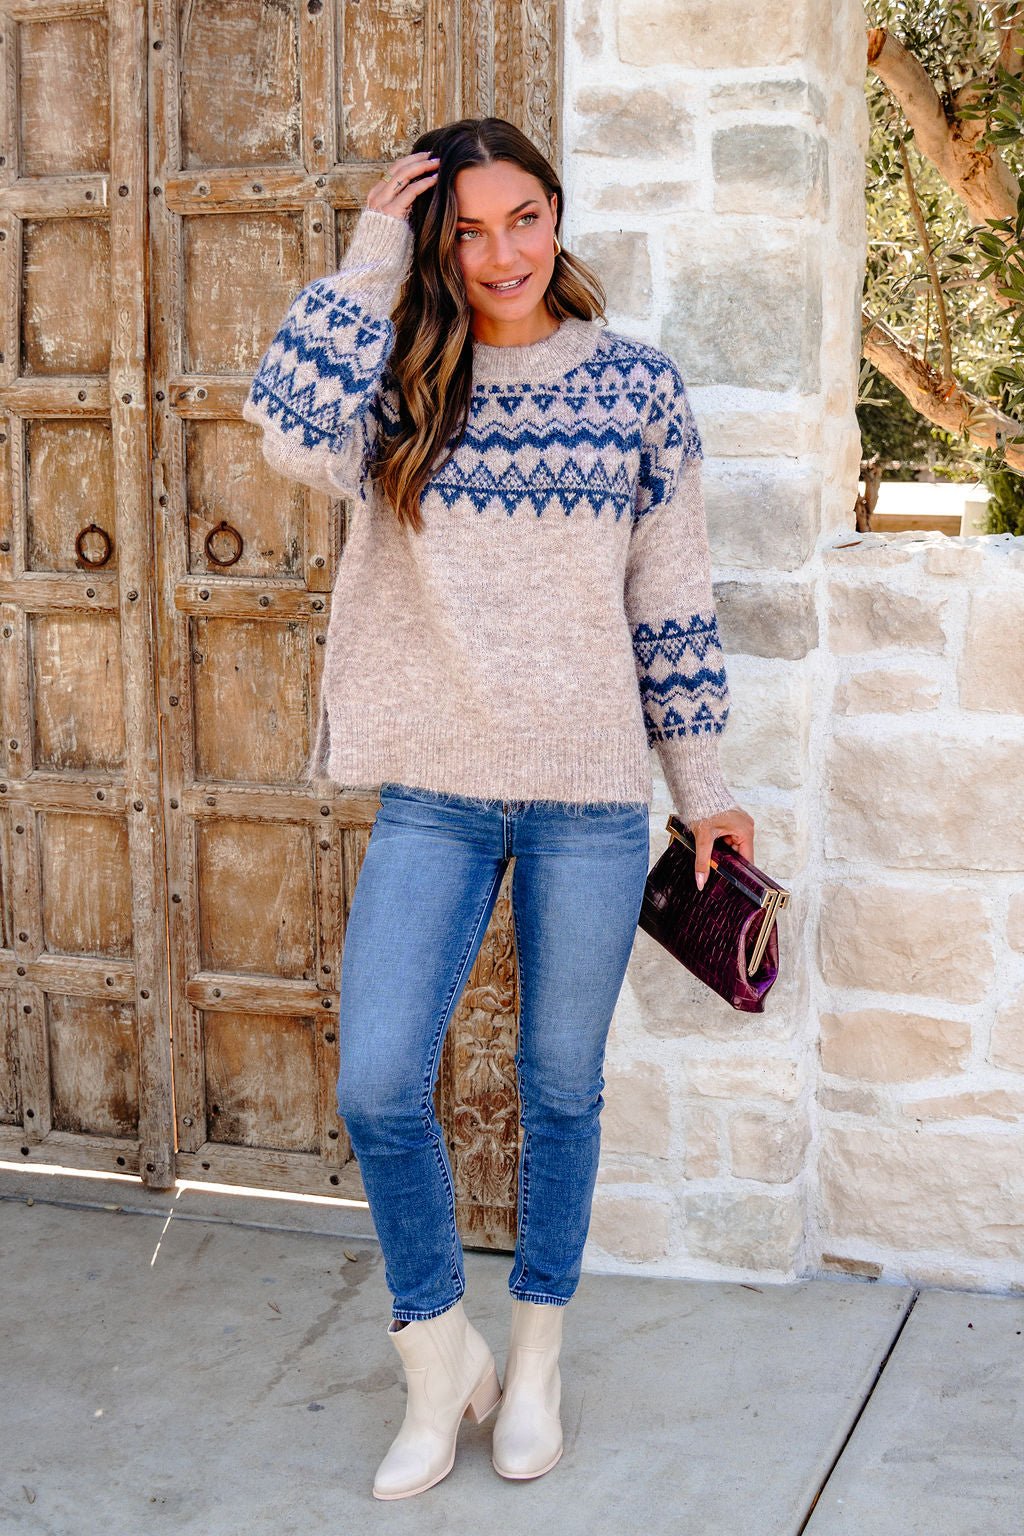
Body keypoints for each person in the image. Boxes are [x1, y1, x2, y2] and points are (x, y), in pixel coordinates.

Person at [243, 116, 754, 1501]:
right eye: (465, 230)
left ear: (556, 215)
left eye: (521, 218)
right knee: (378, 1080)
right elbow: (286, 428)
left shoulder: (637, 389)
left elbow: (671, 601)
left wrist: (703, 792)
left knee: (560, 1088)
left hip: (591, 798)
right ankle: (436, 1358)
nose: (500, 254)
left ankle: (534, 1361)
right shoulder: (408, 384)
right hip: (438, 797)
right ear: (437, 243)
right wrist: (368, 252)